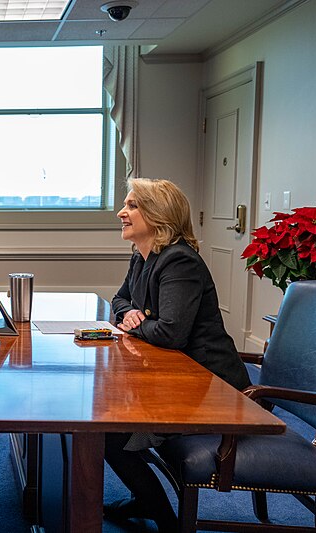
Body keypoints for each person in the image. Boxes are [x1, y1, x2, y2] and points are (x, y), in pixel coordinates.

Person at [105, 178, 250, 532]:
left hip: (212, 388)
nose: (122, 213)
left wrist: (135, 323)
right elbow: (119, 300)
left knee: (110, 435)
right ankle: (146, 500)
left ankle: (167, 522)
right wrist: (131, 314)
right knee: (110, 419)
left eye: (132, 206)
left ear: (158, 215)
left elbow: (170, 333)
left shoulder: (179, 261)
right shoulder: (144, 255)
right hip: (181, 378)